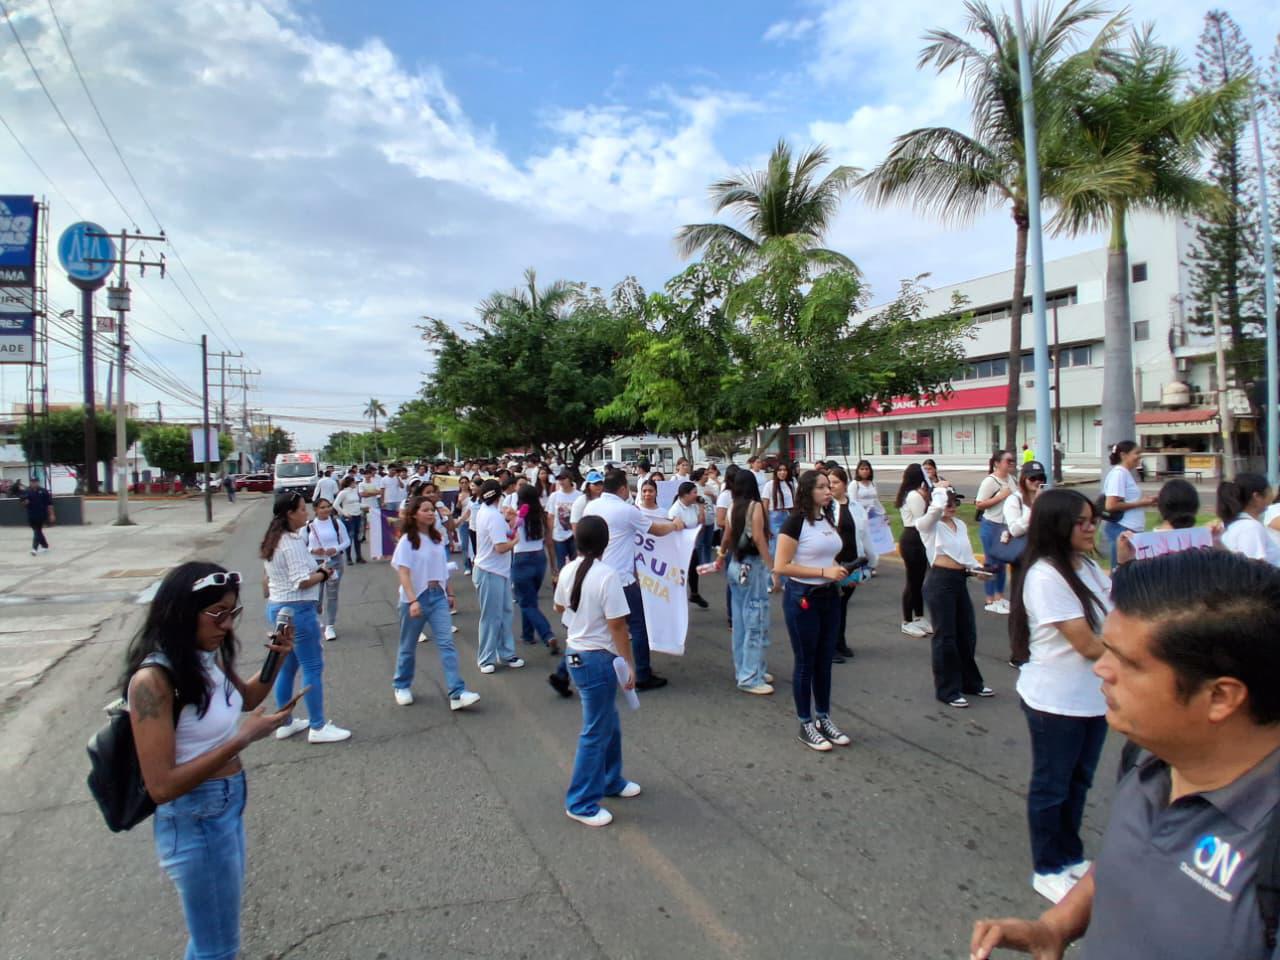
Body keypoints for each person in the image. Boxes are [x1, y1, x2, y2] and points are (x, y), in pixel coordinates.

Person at [971, 550, 1280, 960]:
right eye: (1107, 648)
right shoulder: (1148, 758)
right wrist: (1057, 926)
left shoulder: (1268, 845)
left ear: (1221, 696)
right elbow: (1131, 856)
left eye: (1129, 662)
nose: (1102, 669)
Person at [124, 561, 294, 960]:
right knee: (219, 948)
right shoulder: (152, 682)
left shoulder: (206, 657)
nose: (227, 625)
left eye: (232, 613)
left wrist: (277, 660)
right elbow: (161, 785)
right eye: (217, 614)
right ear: (182, 612)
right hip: (194, 818)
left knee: (211, 940)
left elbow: (247, 699)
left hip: (225, 805)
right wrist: (243, 738)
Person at [1008, 489, 1110, 903]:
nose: (1091, 528)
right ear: (1059, 526)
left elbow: (1115, 608)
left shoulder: (1085, 565)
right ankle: (1047, 866)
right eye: (1082, 522)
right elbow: (1088, 645)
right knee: (1053, 786)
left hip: (1094, 697)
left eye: (1093, 520)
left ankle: (1070, 856)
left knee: (1079, 782)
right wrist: (1145, 652)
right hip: (1056, 702)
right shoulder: (1045, 575)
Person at [554, 515, 641, 827]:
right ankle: (580, 802)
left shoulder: (567, 570)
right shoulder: (607, 575)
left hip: (577, 654)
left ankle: (610, 779)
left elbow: (559, 608)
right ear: (607, 542)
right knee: (595, 730)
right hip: (596, 659)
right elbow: (618, 624)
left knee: (607, 721)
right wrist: (628, 663)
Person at [583, 469, 686, 691]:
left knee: (592, 624)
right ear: (621, 488)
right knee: (638, 626)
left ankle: (564, 672)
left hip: (593, 574)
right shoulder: (626, 510)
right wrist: (675, 525)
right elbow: (656, 530)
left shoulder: (591, 506)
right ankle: (641, 674)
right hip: (621, 579)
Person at [260, 491, 351, 743]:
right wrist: (322, 574)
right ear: (289, 513)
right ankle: (318, 726)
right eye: (302, 509)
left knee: (287, 667)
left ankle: (285, 721)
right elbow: (301, 581)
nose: (306, 513)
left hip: (279, 606)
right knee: (312, 666)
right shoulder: (292, 541)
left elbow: (270, 578)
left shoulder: (274, 538)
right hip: (297, 609)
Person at [774, 470, 852, 751]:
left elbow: (829, 554)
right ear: (808, 491)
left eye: (829, 486)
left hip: (829, 596)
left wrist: (840, 571)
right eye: (821, 487)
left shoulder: (827, 518)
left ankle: (823, 717)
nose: (828, 490)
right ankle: (805, 722)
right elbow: (781, 566)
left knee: (824, 661)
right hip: (802, 597)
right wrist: (823, 571)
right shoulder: (794, 523)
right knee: (806, 662)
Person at [390, 495, 479, 711]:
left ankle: (456, 692)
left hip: (437, 596)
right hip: (415, 597)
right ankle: (401, 684)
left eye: (432, 510)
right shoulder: (407, 541)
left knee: (447, 643)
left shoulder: (437, 538)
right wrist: (412, 600)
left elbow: (442, 569)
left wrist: (450, 593)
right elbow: (403, 572)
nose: (431, 513)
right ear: (413, 514)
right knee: (408, 646)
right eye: (425, 510)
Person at [917, 482, 994, 708]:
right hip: (940, 582)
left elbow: (966, 556)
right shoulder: (928, 525)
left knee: (966, 633)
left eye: (955, 502)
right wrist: (939, 491)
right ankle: (947, 689)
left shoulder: (959, 524)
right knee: (945, 637)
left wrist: (978, 570)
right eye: (947, 502)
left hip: (959, 580)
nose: (951, 506)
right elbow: (934, 511)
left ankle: (971, 682)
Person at [719, 468, 774, 694]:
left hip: (735, 564)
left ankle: (746, 668)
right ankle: (750, 676)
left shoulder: (733, 507)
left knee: (741, 621)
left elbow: (727, 536)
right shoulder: (756, 506)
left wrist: (720, 556)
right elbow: (760, 538)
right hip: (752, 566)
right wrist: (773, 567)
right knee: (756, 619)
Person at [471, 480, 525, 674]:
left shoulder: (489, 513)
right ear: (498, 495)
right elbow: (500, 547)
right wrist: (515, 541)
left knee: (505, 613)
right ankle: (485, 658)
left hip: (498, 571)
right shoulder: (492, 516)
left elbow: (503, 535)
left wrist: (512, 524)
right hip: (489, 571)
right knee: (491, 617)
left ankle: (506, 653)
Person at [827, 466, 876, 662]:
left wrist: (870, 562)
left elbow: (865, 535)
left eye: (835, 482)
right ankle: (830, 646)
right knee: (834, 604)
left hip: (853, 561)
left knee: (843, 604)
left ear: (845, 484)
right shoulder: (827, 507)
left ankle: (839, 641)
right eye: (829, 483)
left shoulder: (855, 507)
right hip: (834, 564)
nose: (831, 487)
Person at [512, 484, 558, 652]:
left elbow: (509, 534)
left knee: (525, 602)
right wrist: (554, 566)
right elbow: (549, 541)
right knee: (530, 599)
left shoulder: (518, 516)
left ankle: (547, 634)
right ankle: (527, 634)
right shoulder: (542, 516)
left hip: (521, 558)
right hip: (539, 557)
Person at [975, 449, 1018, 614]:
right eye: (1008, 461)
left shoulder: (1011, 479)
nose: (1011, 463)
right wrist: (1001, 496)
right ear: (997, 463)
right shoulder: (990, 481)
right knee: (991, 563)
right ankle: (989, 599)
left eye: (1012, 461)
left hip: (1005, 527)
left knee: (1002, 563)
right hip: (991, 525)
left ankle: (1000, 597)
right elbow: (979, 503)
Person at [1102, 440, 1156, 568]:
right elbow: (1110, 505)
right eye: (1136, 453)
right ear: (1123, 455)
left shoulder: (1125, 474)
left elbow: (1127, 501)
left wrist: (1145, 502)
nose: (1139, 457)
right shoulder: (1119, 474)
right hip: (1123, 529)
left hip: (1130, 529)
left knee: (1130, 571)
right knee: (1121, 571)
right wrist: (1140, 503)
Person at [306, 496, 351, 641]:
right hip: (316, 564)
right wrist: (313, 550)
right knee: (315, 596)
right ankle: (317, 620)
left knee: (332, 595)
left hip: (334, 562)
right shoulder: (309, 526)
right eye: (322, 507)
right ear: (315, 510)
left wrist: (335, 548)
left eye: (328, 506)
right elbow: (302, 545)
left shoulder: (336, 523)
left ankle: (330, 625)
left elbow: (346, 541)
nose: (326, 510)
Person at [895, 464, 931, 638]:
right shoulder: (914, 495)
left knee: (919, 581)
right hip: (913, 538)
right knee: (913, 581)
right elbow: (922, 520)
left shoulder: (912, 494)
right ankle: (907, 621)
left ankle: (919, 616)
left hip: (917, 539)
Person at [1216, 473, 1280, 566]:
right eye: (1269, 490)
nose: (1272, 494)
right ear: (1257, 497)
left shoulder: (1240, 523)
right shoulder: (1250, 528)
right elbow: (1253, 568)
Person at [669, 480, 709, 609]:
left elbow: (700, 524)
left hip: (690, 545)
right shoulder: (675, 510)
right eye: (694, 493)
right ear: (685, 495)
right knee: (680, 574)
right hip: (679, 547)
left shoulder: (693, 506)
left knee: (693, 570)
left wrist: (701, 508)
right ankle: (676, 600)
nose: (696, 495)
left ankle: (694, 593)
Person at [546, 470, 581, 578]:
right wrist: (549, 534)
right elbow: (551, 516)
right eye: (559, 479)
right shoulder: (554, 496)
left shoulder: (579, 495)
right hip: (558, 535)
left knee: (576, 563)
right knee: (561, 563)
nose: (561, 481)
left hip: (574, 535)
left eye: (563, 479)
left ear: (570, 479)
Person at [20, 476, 54, 556]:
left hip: (41, 514)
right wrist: (25, 502)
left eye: (35, 481)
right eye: (32, 481)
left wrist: (52, 514)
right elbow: (22, 503)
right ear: (30, 482)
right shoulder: (26, 491)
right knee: (37, 531)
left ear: (38, 482)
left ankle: (34, 549)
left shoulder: (43, 491)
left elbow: (49, 504)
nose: (34, 483)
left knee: (37, 530)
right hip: (31, 515)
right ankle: (45, 545)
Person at [333, 476, 364, 563]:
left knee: (357, 537)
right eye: (354, 482)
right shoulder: (343, 493)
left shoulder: (354, 492)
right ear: (350, 483)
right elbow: (335, 504)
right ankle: (348, 558)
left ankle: (359, 556)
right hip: (348, 517)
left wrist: (365, 506)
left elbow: (357, 503)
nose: (355, 484)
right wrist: (344, 513)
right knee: (349, 537)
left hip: (357, 515)